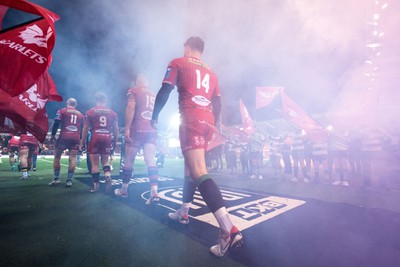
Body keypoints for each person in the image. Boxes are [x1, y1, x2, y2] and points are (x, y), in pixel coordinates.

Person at [151, 36, 242, 257]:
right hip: (207, 121)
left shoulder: (178, 62)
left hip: (190, 119)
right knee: (189, 169)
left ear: (187, 47)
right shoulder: (212, 72)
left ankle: (228, 229)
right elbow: (217, 103)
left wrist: (154, 116)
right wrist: (211, 124)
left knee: (199, 171)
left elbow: (165, 91)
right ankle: (184, 212)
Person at [114, 74, 160, 204]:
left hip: (137, 127)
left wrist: (127, 127)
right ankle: (154, 192)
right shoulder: (154, 94)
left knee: (129, 160)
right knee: (151, 160)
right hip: (151, 128)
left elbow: (130, 108)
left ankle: (124, 190)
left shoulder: (134, 90)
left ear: (137, 82)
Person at [81, 92, 118, 193]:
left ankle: (95, 186)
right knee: (105, 161)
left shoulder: (90, 112)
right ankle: (107, 176)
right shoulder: (113, 113)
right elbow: (115, 129)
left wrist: (82, 142)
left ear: (96, 100)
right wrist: (115, 141)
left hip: (95, 137)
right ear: (106, 101)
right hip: (107, 137)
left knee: (95, 164)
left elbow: (85, 128)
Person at [49, 98, 84, 187]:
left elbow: (56, 123)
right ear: (76, 104)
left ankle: (56, 179)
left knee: (57, 157)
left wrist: (53, 135)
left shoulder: (62, 111)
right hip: (76, 137)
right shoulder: (81, 114)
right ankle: (69, 181)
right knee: (72, 159)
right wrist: (80, 140)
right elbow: (82, 128)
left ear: (67, 103)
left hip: (64, 136)